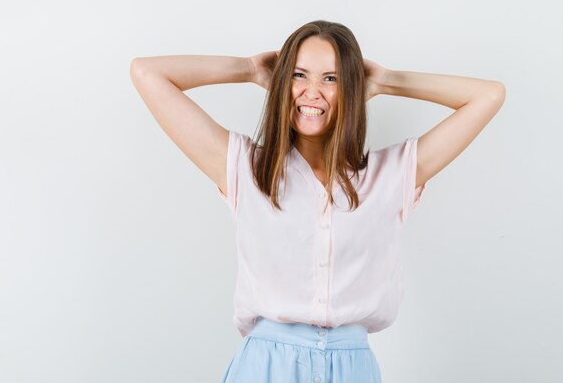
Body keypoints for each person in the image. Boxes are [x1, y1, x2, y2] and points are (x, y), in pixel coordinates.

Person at [129, 20, 506, 383]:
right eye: (298, 75)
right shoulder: (245, 167)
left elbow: (488, 96)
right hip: (265, 367)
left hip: (353, 368)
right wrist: (247, 69)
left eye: (331, 78)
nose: (312, 91)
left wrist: (385, 80)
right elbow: (147, 73)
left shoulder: (391, 174)